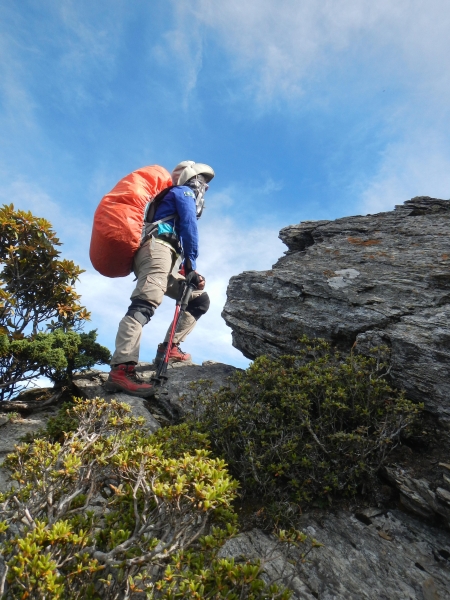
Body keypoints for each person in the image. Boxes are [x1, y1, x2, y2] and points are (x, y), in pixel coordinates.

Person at [105, 160, 214, 397]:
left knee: (198, 300)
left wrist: (187, 271)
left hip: (167, 255)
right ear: (190, 178)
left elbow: (180, 231)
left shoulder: (171, 195)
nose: (203, 187)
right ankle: (122, 369)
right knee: (144, 304)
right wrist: (191, 265)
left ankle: (170, 348)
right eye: (201, 181)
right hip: (157, 250)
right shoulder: (181, 191)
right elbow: (188, 225)